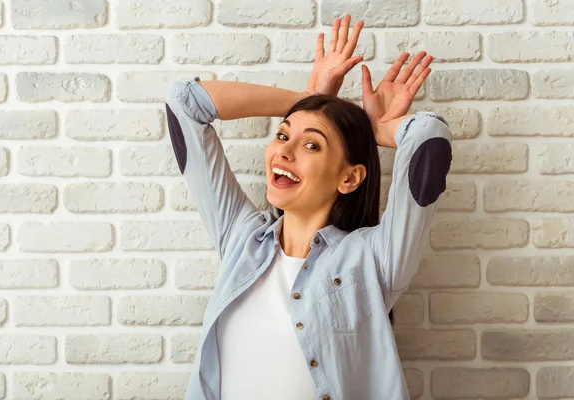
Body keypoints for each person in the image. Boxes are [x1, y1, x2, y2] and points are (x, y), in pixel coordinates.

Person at [165, 14, 452, 400]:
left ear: (349, 178)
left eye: (312, 144)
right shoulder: (242, 241)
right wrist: (309, 101)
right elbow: (184, 101)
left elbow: (429, 136)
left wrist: (367, 128)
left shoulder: (373, 260)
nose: (283, 150)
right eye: (283, 135)